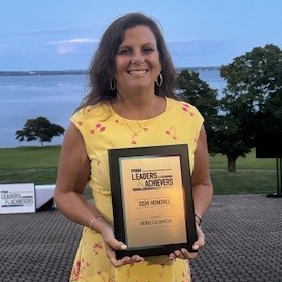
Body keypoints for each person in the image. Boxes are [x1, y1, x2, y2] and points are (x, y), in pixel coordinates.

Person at [54, 12, 213, 282]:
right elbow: (66, 193)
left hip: (168, 269)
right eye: (125, 51)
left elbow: (203, 184)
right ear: (110, 63)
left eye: (147, 49)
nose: (137, 59)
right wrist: (104, 228)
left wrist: (192, 224)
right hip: (105, 266)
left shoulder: (189, 118)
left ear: (160, 61)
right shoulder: (86, 123)